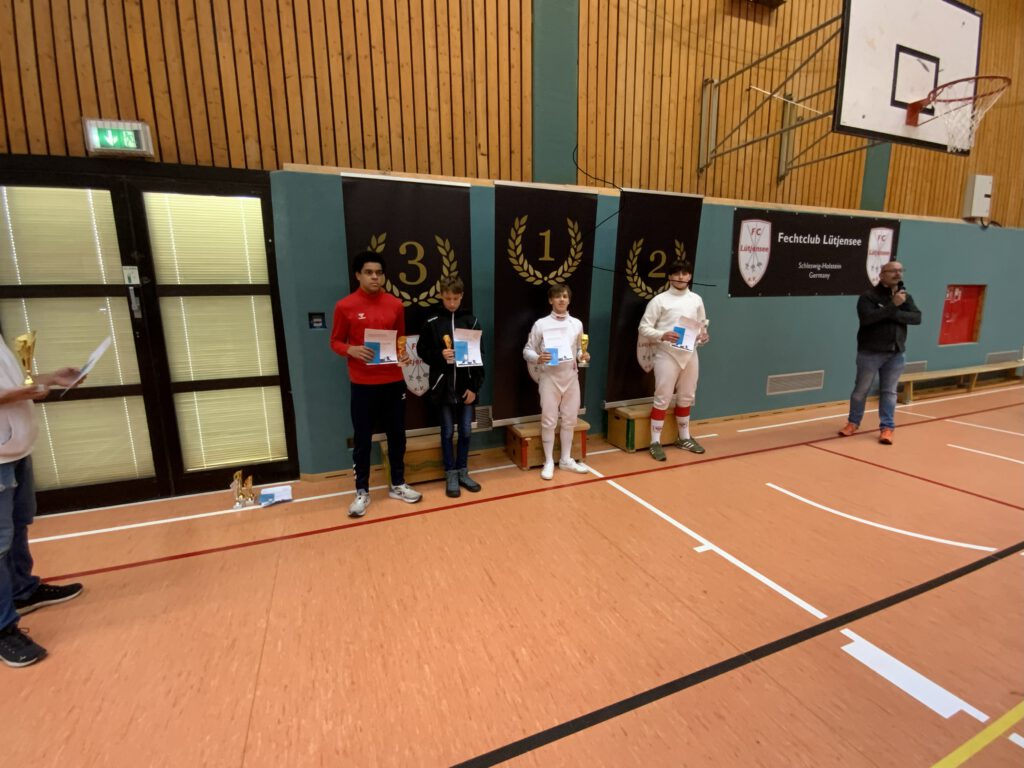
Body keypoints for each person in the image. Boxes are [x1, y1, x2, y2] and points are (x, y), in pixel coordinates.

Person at [1, 335, 85, 668]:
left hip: (16, 449)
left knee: (19, 524)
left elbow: (11, 383)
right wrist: (21, 393)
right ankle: (3, 629)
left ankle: (23, 591)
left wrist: (48, 378)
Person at [330, 252, 423, 517]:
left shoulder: (395, 305)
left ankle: (398, 484)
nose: (375, 277)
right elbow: (335, 342)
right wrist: (351, 350)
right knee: (362, 439)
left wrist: (403, 354)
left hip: (393, 382)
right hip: (363, 384)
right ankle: (362, 491)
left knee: (397, 436)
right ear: (358, 275)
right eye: (369, 272)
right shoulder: (345, 306)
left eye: (379, 273)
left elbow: (400, 339)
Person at [838, 261, 921, 444]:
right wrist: (893, 306)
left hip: (896, 353)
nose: (898, 274)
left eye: (900, 270)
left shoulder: (905, 297)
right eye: (893, 271)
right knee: (861, 391)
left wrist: (891, 312)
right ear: (882, 274)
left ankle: (887, 428)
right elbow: (868, 319)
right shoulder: (868, 297)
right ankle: (853, 423)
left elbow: (916, 318)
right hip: (870, 353)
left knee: (889, 392)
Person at [416, 278, 485, 498]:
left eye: (456, 298)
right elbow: (421, 350)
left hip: (466, 388)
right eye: (448, 299)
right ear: (441, 296)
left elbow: (479, 356)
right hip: (443, 387)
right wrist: (439, 354)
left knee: (466, 430)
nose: (452, 303)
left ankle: (463, 470)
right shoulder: (432, 322)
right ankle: (450, 473)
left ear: (462, 296)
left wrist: (474, 387)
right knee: (447, 432)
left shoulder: (471, 321)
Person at [638, 259, 709, 461]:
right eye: (677, 273)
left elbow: (702, 325)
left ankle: (684, 437)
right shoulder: (659, 300)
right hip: (667, 354)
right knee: (663, 397)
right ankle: (655, 442)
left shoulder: (696, 299)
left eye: (684, 273)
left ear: (690, 276)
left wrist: (703, 337)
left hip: (690, 353)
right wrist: (662, 334)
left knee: (687, 396)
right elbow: (643, 327)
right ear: (669, 276)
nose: (680, 277)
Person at [522, 284, 591, 480]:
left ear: (569, 300)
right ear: (550, 300)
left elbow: (579, 350)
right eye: (558, 296)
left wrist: (583, 355)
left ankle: (566, 459)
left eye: (565, 296)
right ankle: (549, 461)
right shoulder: (541, 324)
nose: (561, 299)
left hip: (570, 377)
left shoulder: (576, 324)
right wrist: (538, 358)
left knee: (570, 419)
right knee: (549, 420)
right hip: (549, 378)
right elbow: (527, 350)